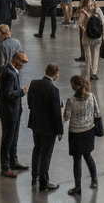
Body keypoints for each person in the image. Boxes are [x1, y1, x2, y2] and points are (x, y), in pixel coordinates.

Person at [62, 75, 100, 195]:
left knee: (77, 160)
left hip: (75, 133)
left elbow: (66, 117)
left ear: (74, 87)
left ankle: (78, 186)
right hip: (89, 131)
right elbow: (97, 112)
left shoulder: (70, 101)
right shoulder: (92, 97)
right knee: (88, 156)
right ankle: (94, 180)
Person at [27, 63, 62, 192]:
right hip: (49, 128)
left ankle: (34, 176)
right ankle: (44, 182)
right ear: (56, 74)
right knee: (46, 154)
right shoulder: (54, 90)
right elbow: (56, 113)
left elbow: (30, 103)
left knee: (37, 149)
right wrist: (59, 131)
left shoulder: (34, 83)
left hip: (36, 124)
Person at [0, 51, 30, 178]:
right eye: (21, 62)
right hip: (8, 113)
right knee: (7, 140)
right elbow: (9, 94)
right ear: (15, 59)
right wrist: (23, 91)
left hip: (14, 112)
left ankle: (13, 162)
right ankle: (5, 167)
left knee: (14, 138)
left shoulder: (12, 71)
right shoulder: (8, 73)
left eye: (24, 63)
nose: (22, 65)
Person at [81, 0, 104, 81]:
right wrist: (102, 33)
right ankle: (94, 73)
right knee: (96, 53)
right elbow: (103, 23)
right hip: (97, 37)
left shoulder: (84, 11)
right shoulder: (98, 10)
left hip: (87, 36)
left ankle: (89, 70)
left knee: (88, 54)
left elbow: (81, 24)